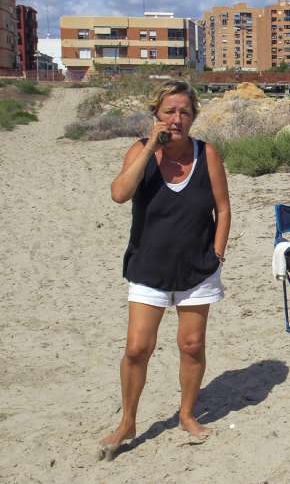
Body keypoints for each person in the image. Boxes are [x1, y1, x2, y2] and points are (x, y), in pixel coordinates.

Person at [99, 80, 231, 459]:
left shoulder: (207, 154)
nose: (177, 119)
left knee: (191, 346)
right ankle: (128, 422)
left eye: (185, 112)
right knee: (138, 348)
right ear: (155, 114)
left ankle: (187, 414)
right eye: (169, 111)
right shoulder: (140, 151)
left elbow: (222, 208)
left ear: (193, 116)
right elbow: (119, 194)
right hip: (148, 267)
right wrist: (150, 150)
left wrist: (217, 255)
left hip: (197, 269)